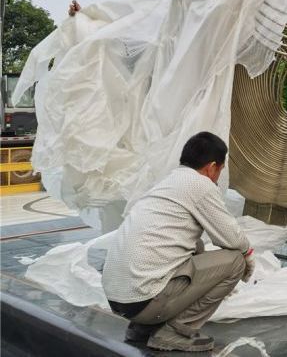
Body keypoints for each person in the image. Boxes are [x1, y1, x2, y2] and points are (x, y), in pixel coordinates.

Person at [102, 132, 253, 352]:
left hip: (118, 300)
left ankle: (141, 329)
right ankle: (174, 332)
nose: (218, 176)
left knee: (196, 247)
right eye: (220, 170)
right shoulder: (200, 185)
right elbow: (231, 238)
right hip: (144, 301)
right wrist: (248, 255)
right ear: (212, 167)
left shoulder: (168, 182)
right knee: (235, 262)